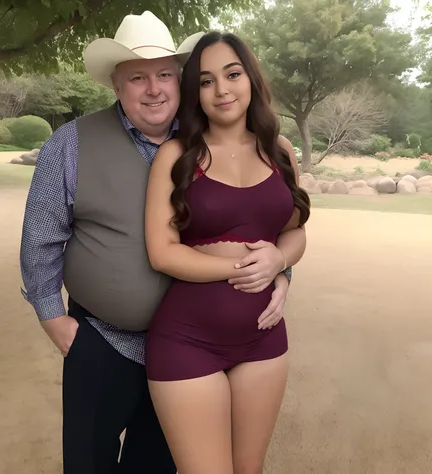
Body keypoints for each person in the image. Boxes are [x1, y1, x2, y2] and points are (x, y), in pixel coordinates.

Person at [19, 11, 306, 474]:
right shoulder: (71, 144)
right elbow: (40, 240)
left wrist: (281, 271)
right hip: (103, 339)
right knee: (89, 462)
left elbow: (264, 220)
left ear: (180, 81)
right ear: (117, 86)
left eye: (164, 75)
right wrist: (56, 322)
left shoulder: (203, 137)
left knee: (157, 464)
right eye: (137, 78)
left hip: (184, 342)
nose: (153, 89)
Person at [144, 31, 311, 474]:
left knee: (249, 470)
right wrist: (240, 266)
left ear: (250, 78)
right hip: (187, 340)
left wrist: (279, 260)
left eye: (232, 74)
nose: (222, 90)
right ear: (194, 93)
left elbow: (296, 233)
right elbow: (162, 253)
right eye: (205, 80)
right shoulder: (175, 155)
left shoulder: (280, 151)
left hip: (264, 339)